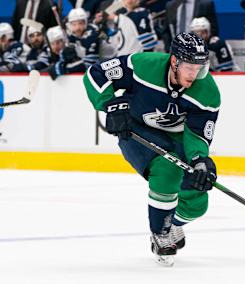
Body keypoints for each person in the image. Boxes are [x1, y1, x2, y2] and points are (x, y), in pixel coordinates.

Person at [83, 32, 220, 265]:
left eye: (199, 68)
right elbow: (95, 74)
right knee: (167, 171)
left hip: (177, 138)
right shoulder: (142, 66)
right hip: (137, 131)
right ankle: (161, 233)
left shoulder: (207, 93)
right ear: (174, 61)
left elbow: (197, 133)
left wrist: (199, 160)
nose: (195, 75)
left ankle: (173, 224)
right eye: (190, 68)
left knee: (197, 201)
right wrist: (109, 105)